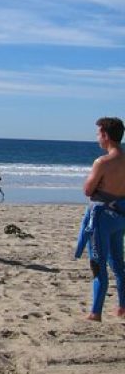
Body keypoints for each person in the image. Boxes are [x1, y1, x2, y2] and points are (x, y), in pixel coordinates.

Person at [75, 117, 125, 322]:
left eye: (98, 133)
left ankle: (95, 313)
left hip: (101, 218)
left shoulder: (102, 162)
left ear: (105, 135)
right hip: (120, 216)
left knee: (98, 262)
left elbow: (88, 190)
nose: (97, 138)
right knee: (118, 262)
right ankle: (122, 307)